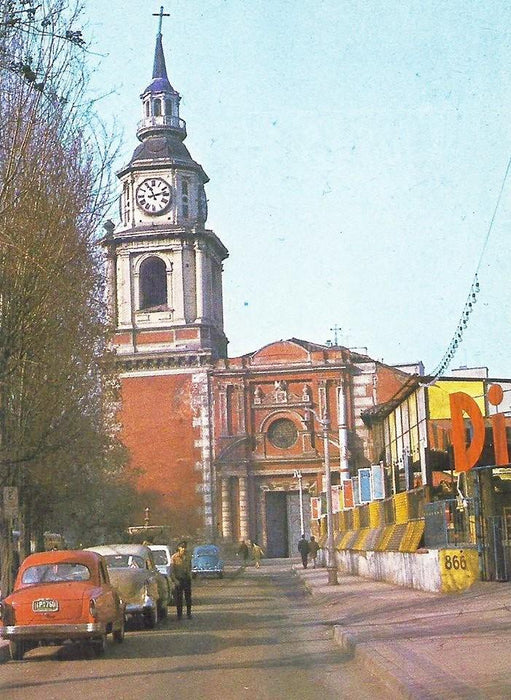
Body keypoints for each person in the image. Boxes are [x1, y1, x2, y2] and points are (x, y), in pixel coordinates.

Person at [170, 541, 192, 620]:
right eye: (182, 547)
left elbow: (190, 567)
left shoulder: (188, 556)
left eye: (185, 547)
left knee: (188, 598)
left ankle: (189, 614)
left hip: (186, 579)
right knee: (179, 599)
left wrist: (190, 576)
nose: (184, 549)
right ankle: (179, 615)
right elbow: (171, 571)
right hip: (178, 579)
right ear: (179, 548)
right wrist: (175, 580)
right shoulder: (174, 557)